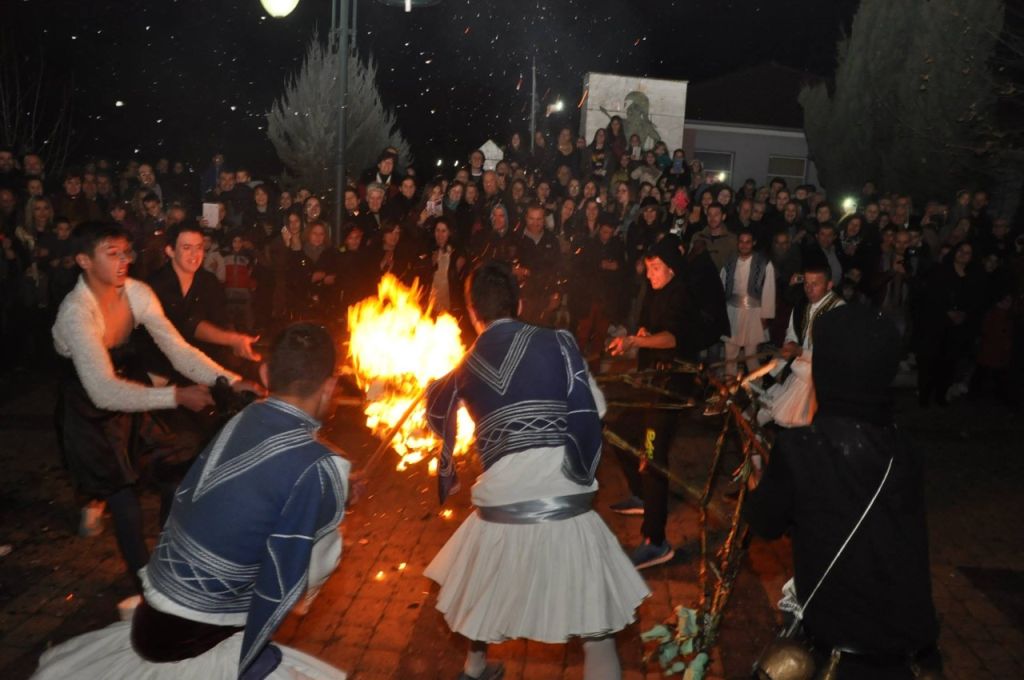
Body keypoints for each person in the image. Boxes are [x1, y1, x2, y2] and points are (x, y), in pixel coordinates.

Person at [34, 323, 350, 680]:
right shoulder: (320, 467)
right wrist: (334, 493)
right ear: (329, 386)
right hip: (203, 637)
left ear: (264, 372)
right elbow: (305, 572)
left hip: (154, 616)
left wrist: (327, 474)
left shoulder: (241, 419)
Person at [423, 260, 649, 680]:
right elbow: (594, 410)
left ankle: (475, 669)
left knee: (479, 589)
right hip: (565, 506)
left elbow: (436, 407)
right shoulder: (559, 343)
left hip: (498, 511)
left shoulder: (462, 369)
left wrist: (449, 462)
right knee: (597, 633)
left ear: (472, 313)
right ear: (521, 302)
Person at [51, 222, 250, 593]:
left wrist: (230, 381)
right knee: (123, 498)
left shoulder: (137, 293)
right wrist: (176, 396)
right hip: (90, 408)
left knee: (177, 471)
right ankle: (146, 584)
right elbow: (103, 391)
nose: (124, 260)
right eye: (112, 253)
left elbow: (179, 350)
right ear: (84, 261)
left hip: (134, 390)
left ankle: (173, 557)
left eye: (126, 251)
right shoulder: (76, 312)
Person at [744, 305, 942, 679]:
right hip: (908, 654)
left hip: (840, 657)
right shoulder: (908, 451)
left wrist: (757, 478)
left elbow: (764, 521)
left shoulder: (802, 448)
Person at [608, 235, 711, 568]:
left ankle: (655, 540)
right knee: (619, 431)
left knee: (652, 457)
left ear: (670, 268)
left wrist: (636, 342)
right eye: (648, 268)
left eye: (655, 268)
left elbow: (671, 337)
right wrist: (635, 337)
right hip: (651, 382)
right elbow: (649, 328)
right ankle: (642, 496)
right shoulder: (654, 292)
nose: (649, 274)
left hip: (670, 390)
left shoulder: (680, 294)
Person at [758, 261, 845, 428]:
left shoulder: (839, 312)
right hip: (798, 370)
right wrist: (789, 344)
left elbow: (834, 355)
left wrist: (800, 352)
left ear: (829, 285)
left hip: (820, 378)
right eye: (806, 283)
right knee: (762, 412)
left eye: (815, 284)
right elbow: (792, 332)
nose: (809, 288)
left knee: (795, 423)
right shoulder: (801, 305)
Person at [721, 229, 775, 378]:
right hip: (732, 311)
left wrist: (765, 315)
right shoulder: (730, 261)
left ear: (753, 243)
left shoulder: (763, 263)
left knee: (751, 354)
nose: (744, 245)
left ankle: (755, 386)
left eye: (748, 242)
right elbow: (722, 284)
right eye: (741, 242)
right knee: (730, 352)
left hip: (754, 312)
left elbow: (769, 290)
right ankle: (729, 384)